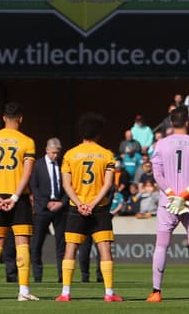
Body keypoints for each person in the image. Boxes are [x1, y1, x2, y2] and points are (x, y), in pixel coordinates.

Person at [146, 106, 189, 303]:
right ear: (187, 122)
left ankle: (156, 292)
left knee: (161, 246)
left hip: (167, 203)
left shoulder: (161, 144)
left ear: (170, 121)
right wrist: (184, 195)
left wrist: (172, 194)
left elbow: (157, 175)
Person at [57, 112, 121, 302]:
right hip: (99, 208)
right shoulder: (106, 154)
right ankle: (109, 293)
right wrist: (93, 203)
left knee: (70, 249)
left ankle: (65, 293)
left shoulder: (70, 154)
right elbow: (108, 184)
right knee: (105, 249)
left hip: (76, 208)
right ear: (98, 133)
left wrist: (80, 203)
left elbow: (66, 184)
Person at [0, 102, 38, 301]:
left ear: (3, 118)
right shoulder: (27, 141)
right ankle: (23, 291)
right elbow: (27, 173)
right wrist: (15, 197)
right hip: (18, 198)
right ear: (20, 118)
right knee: (22, 243)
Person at [29, 137, 67, 284]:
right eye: (53, 153)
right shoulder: (37, 165)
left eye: (57, 153)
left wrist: (61, 203)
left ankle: (63, 277)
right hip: (42, 209)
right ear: (46, 150)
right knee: (36, 244)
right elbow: (34, 186)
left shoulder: (63, 165)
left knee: (61, 244)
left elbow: (68, 187)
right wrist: (46, 203)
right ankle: (38, 277)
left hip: (60, 209)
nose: (55, 156)